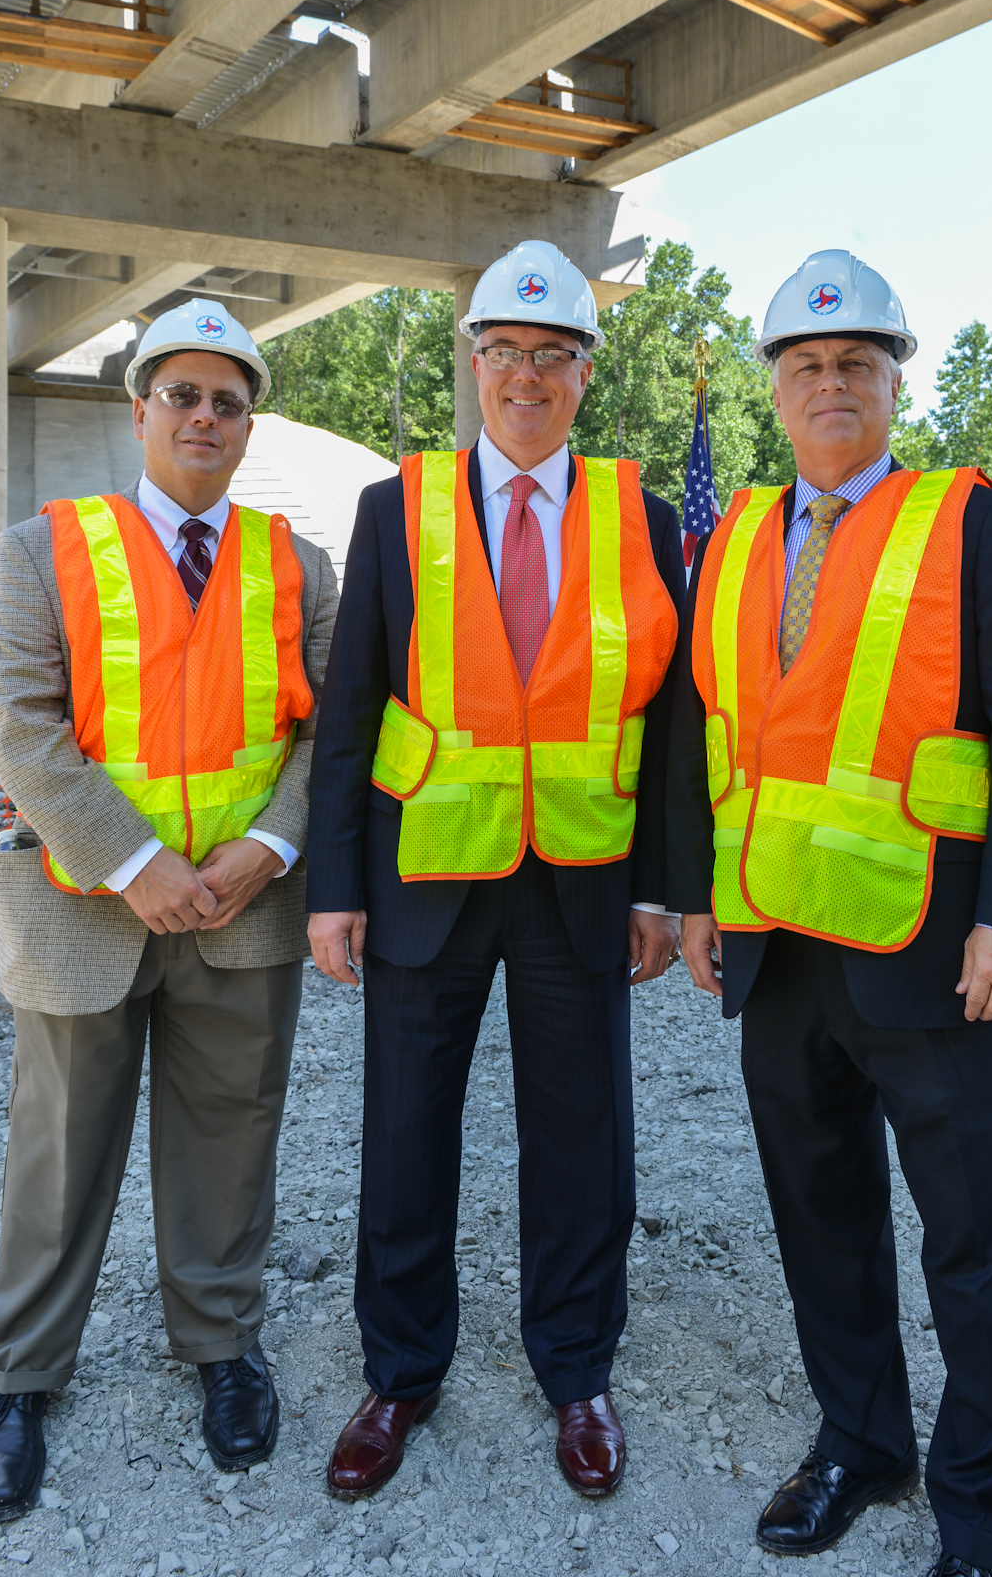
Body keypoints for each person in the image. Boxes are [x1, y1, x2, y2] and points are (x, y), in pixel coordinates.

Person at [667, 250, 992, 1577]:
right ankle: (862, 1439)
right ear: (775, 389)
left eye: (854, 364)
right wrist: (700, 902)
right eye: (805, 366)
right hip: (778, 949)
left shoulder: (970, 522)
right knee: (822, 1216)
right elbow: (709, 734)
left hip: (932, 949)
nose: (829, 385)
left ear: (894, 381)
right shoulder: (730, 539)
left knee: (976, 1237)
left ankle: (981, 1508)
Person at [306, 240, 685, 1501]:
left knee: (582, 1140)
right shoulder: (394, 508)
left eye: (555, 355)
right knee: (407, 1136)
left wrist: (656, 886)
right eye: (506, 353)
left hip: (583, 876)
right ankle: (401, 1372)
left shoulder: (643, 513)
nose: (527, 376)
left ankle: (576, 1368)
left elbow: (673, 719)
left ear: (587, 373)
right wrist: (334, 887)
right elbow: (351, 707)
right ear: (474, 365)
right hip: (428, 877)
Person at [0, 299, 338, 1518]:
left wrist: (272, 842)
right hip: (88, 905)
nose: (202, 416)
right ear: (138, 410)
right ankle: (19, 1376)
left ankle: (221, 1347)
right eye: (179, 394)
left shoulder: (299, 563)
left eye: (226, 401)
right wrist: (136, 861)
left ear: (249, 425)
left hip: (243, 904)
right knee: (58, 1149)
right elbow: (20, 724)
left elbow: (330, 727)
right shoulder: (43, 549)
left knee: (232, 1140)